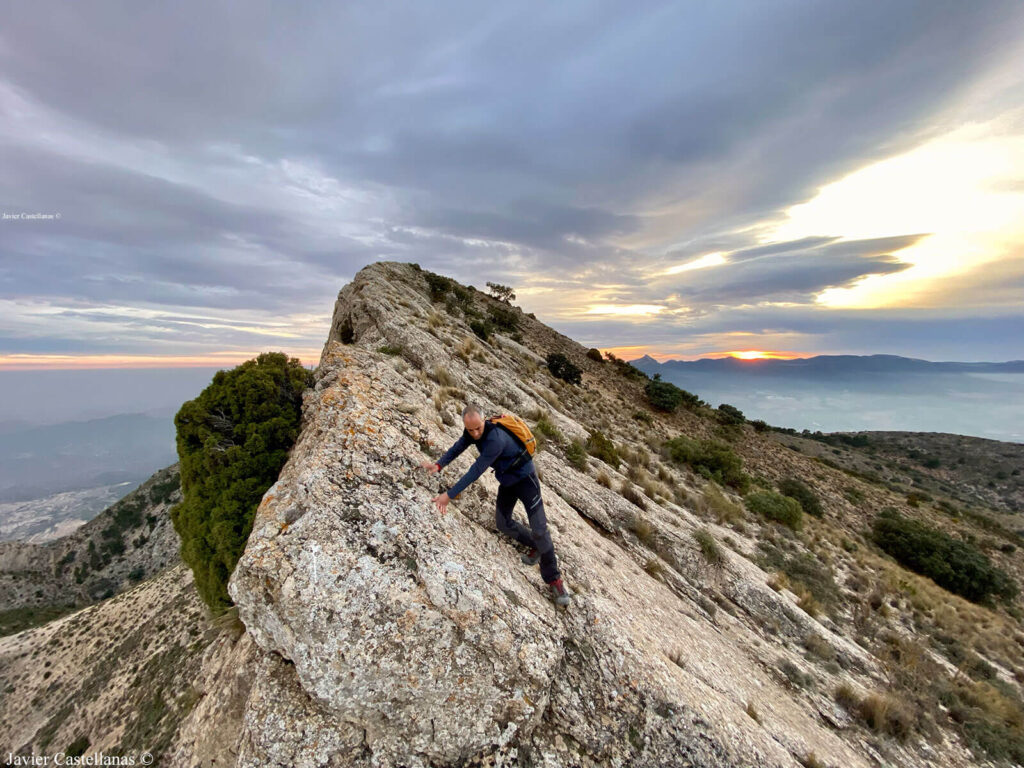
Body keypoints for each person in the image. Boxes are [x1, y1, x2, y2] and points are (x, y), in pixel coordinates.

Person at [420, 404, 570, 607]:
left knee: (540, 529)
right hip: (508, 481)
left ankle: (555, 580)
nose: (474, 433)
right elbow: (458, 447)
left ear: (484, 421)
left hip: (526, 480)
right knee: (502, 523)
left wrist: (449, 494)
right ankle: (535, 546)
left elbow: (476, 470)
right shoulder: (472, 431)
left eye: (478, 429)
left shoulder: (495, 439)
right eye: (470, 429)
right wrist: (439, 464)